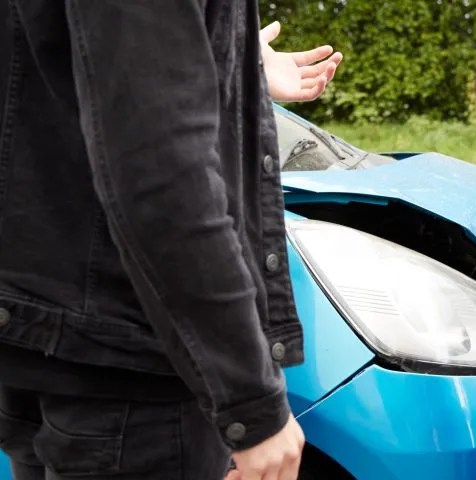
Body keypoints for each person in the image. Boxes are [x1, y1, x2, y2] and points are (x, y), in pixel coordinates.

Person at [0, 2, 341, 478]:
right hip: (133, 381)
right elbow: (162, 176)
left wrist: (232, 61)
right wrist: (252, 405)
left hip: (55, 343)